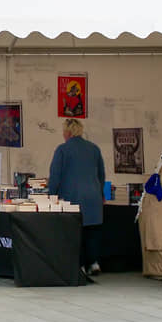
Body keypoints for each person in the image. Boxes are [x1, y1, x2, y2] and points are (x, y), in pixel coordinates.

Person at [48, 118, 106, 276]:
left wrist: (51, 196)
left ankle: (78, 265)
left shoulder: (62, 150)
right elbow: (101, 175)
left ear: (67, 132)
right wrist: (101, 194)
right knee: (92, 231)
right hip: (93, 197)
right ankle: (93, 263)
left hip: (72, 197)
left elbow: (55, 176)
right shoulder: (94, 149)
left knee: (75, 232)